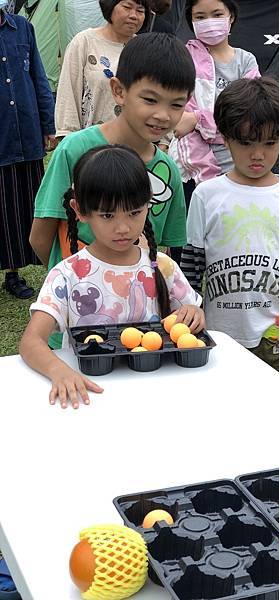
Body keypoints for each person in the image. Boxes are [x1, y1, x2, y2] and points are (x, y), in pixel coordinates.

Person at [30, 32, 195, 347]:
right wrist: (74, 278)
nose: (163, 115)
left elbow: (167, 252)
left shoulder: (168, 170)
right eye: (150, 99)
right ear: (119, 90)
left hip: (143, 333)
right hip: (76, 321)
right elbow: (41, 235)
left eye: (176, 104)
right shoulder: (75, 150)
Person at [20, 145, 204, 409]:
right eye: (107, 215)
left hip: (154, 393)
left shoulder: (162, 267)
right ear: (80, 210)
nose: (123, 227)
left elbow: (194, 315)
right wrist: (58, 370)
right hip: (92, 395)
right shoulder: (67, 275)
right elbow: (31, 340)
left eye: (134, 212)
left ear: (148, 204)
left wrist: (194, 314)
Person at [181, 77, 279, 382]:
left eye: (269, 143)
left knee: (276, 420)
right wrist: (190, 318)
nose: (258, 154)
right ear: (224, 137)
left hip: (276, 339)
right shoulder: (206, 195)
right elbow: (190, 272)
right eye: (246, 143)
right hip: (218, 339)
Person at [169, 0, 260, 185]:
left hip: (240, 162)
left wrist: (197, 119)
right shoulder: (184, 59)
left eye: (217, 14)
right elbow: (180, 121)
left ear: (231, 17)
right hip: (193, 169)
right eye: (200, 17)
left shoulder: (246, 61)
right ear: (192, 21)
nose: (209, 22)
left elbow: (250, 115)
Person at [0, 3, 55, 299]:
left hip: (28, 135)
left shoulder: (23, 28)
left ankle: (14, 272)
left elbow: (38, 79)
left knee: (27, 208)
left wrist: (48, 126)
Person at [55, 0, 152, 138]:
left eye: (140, 11)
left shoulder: (145, 50)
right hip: (91, 144)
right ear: (110, 7)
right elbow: (68, 92)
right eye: (127, 7)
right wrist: (67, 136)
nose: (133, 15)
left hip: (134, 144)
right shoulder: (84, 42)